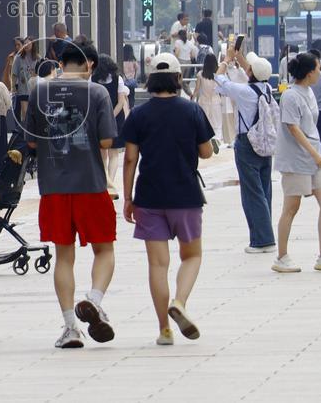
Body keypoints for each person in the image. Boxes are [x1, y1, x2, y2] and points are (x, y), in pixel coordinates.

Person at [24, 41, 118, 349]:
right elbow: (106, 142)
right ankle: (94, 300)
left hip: (53, 188)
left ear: (59, 61)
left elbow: (33, 143)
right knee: (103, 249)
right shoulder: (97, 93)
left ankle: (70, 328)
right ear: (90, 64)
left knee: (64, 257)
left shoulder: (39, 91)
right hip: (91, 184)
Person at [122, 53, 213, 346]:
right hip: (185, 194)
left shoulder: (139, 114)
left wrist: (127, 198)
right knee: (192, 256)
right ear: (177, 78)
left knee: (158, 265)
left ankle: (164, 329)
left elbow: (130, 159)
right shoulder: (192, 111)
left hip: (148, 196)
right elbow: (207, 152)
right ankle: (180, 302)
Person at [271, 52, 321, 274]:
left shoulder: (309, 92)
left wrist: (317, 153)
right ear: (308, 73)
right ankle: (281, 256)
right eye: (317, 68)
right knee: (291, 207)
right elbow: (293, 128)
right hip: (296, 159)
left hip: (315, 155)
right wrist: (314, 154)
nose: (320, 72)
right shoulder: (290, 96)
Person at [216, 46, 277, 254]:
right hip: (265, 144)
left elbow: (219, 80)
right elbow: (253, 71)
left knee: (252, 193)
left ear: (250, 73)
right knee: (264, 190)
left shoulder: (244, 92)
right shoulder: (267, 89)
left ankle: (262, 240)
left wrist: (225, 60)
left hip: (247, 144)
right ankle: (263, 235)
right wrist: (238, 56)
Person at [92, 53, 129, 200]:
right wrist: (111, 115)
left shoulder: (93, 79)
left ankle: (106, 183)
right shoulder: (117, 79)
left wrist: (103, 116)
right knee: (114, 154)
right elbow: (121, 102)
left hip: (98, 120)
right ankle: (111, 184)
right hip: (116, 119)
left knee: (102, 155)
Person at [193, 54, 224, 149]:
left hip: (203, 101)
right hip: (216, 101)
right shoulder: (218, 74)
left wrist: (192, 98)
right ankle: (217, 139)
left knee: (205, 122)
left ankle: (207, 142)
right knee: (217, 122)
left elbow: (197, 89)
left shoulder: (201, 74)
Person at [12, 37, 39, 121]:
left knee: (34, 112)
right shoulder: (18, 58)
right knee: (24, 112)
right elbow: (14, 74)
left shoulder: (38, 58)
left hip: (35, 89)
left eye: (29, 44)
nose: (26, 46)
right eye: (25, 44)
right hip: (23, 88)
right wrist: (13, 87)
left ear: (33, 45)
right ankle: (25, 130)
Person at [121, 44, 139, 110]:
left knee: (125, 96)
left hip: (124, 81)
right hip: (131, 81)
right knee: (131, 96)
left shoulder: (121, 60)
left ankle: (126, 108)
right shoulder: (133, 60)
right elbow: (137, 68)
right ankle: (131, 108)